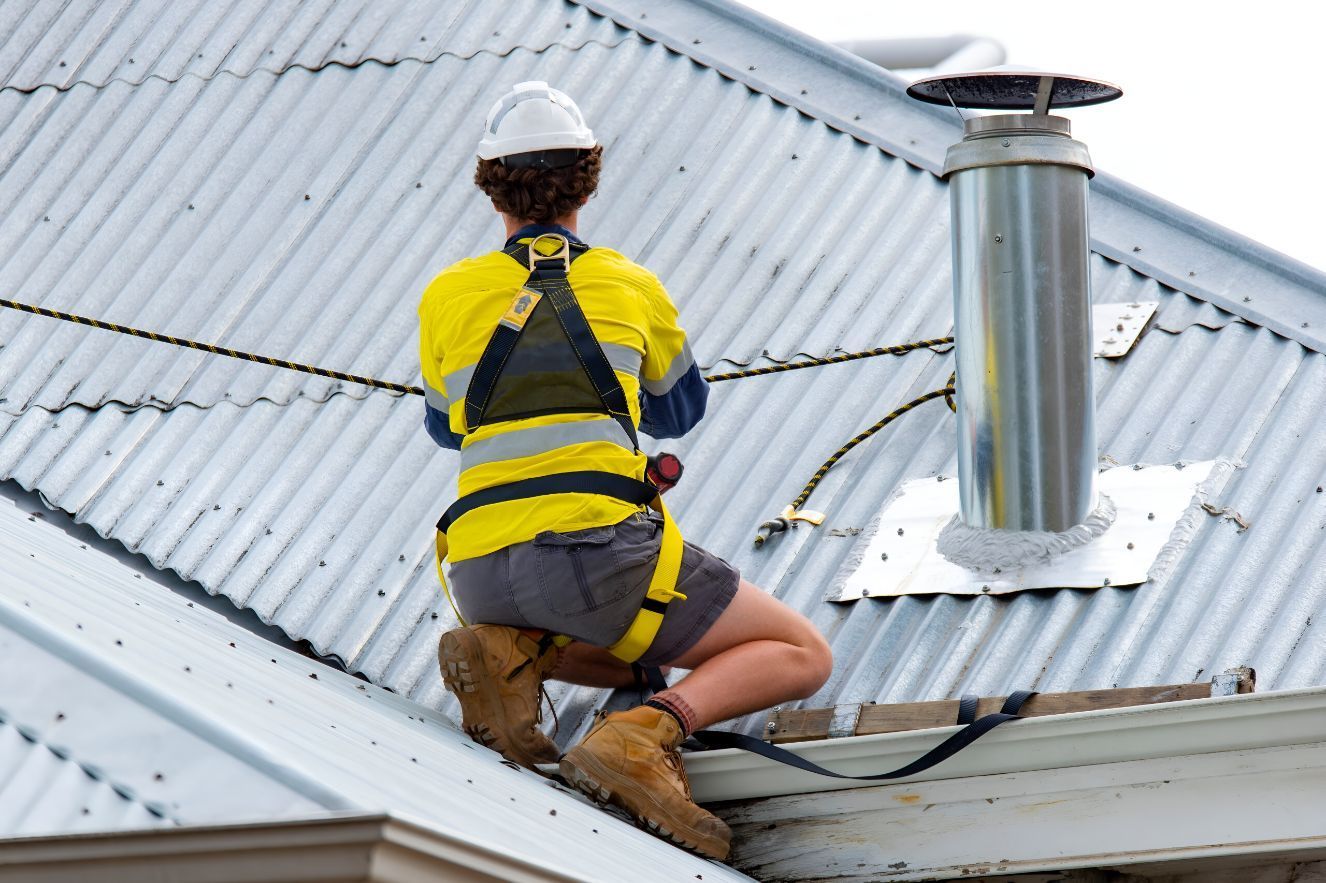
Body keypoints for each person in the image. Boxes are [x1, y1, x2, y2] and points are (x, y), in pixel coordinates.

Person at [418, 81, 832, 861]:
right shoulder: (629, 284)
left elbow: (446, 425)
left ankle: (511, 652)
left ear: (489, 184)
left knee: (639, 653)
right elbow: (679, 411)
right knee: (801, 651)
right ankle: (643, 734)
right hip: (596, 561)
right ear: (588, 179)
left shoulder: (446, 295)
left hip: (478, 575)